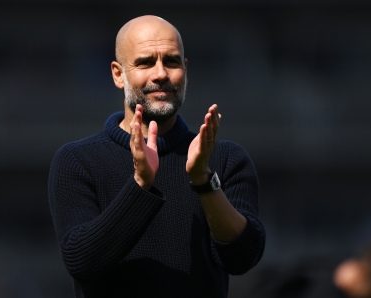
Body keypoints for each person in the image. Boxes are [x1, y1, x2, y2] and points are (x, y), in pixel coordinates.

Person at [48, 15, 266, 298]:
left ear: (185, 71)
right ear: (118, 74)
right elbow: (83, 261)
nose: (161, 73)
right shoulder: (78, 161)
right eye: (145, 62)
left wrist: (202, 179)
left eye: (172, 61)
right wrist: (140, 184)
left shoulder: (224, 159)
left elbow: (243, 257)